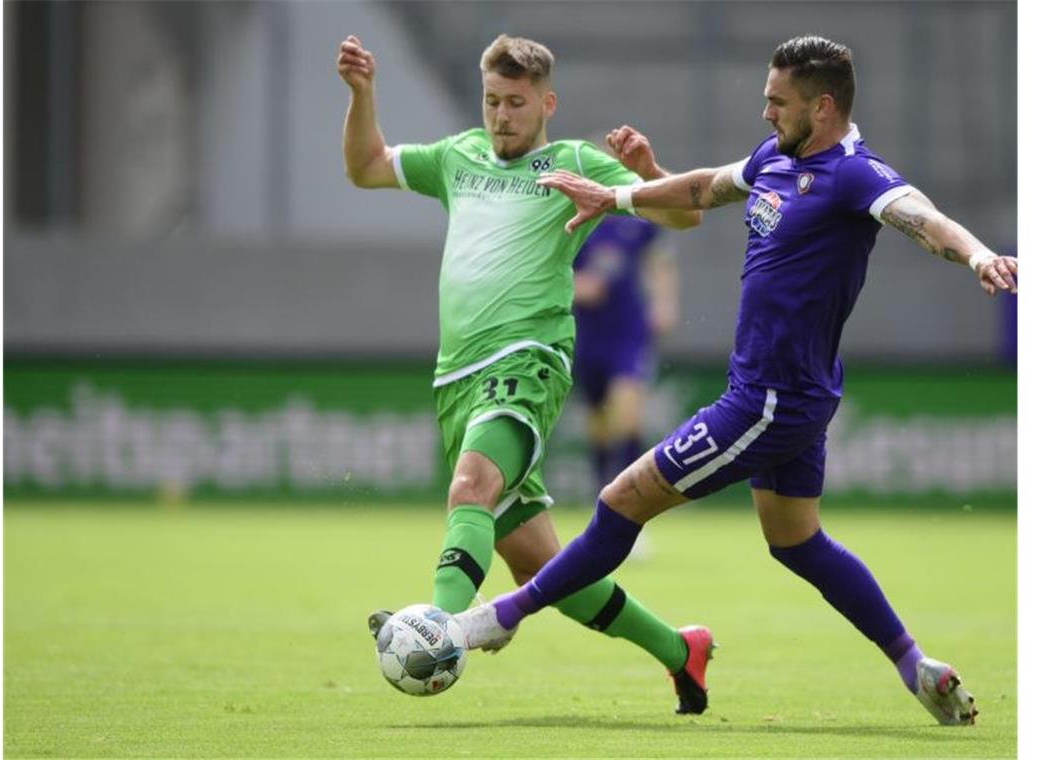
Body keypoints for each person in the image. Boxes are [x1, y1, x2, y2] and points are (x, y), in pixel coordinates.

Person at [456, 34, 1018, 726]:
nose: (765, 113)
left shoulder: (853, 174)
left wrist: (979, 255)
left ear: (824, 107)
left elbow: (923, 218)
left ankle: (495, 618)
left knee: (621, 498)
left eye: (777, 102)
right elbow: (700, 189)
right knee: (796, 543)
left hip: (768, 400)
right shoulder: (774, 159)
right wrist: (620, 193)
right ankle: (915, 666)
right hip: (793, 394)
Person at [337, 34, 715, 713]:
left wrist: (646, 168)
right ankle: (678, 649)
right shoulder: (456, 157)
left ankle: (440, 626)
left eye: (516, 102)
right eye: (492, 101)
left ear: (546, 103)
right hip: (457, 377)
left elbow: (682, 214)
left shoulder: (573, 160)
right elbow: (365, 166)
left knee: (470, 487)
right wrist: (363, 95)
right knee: (547, 571)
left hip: (527, 362)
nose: (501, 115)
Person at [572, 211, 680, 496]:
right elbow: (546, 272)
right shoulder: (574, 222)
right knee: (599, 424)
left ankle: (629, 501)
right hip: (587, 333)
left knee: (628, 414)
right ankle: (601, 494)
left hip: (629, 333)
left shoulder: (635, 221)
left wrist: (664, 303)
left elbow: (660, 260)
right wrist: (576, 286)